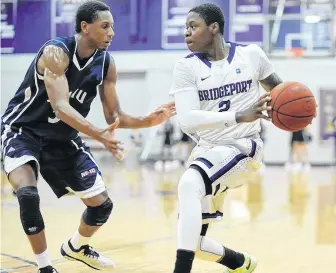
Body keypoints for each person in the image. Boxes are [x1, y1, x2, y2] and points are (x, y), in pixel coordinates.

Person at [1, 1, 175, 273]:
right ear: (85, 27)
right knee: (28, 195)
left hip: (62, 139)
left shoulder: (106, 63)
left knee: (101, 205)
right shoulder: (56, 52)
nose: (112, 33)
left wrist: (150, 120)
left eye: (112, 27)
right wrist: (99, 136)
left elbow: (114, 115)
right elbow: (60, 106)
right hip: (24, 130)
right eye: (105, 26)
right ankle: (45, 267)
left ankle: (76, 248)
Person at [169, 3, 289, 273]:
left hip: (243, 147)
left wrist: (296, 109)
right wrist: (238, 114)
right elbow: (187, 119)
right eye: (185, 28)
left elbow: (281, 93)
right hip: (207, 150)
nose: (187, 33)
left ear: (214, 28)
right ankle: (240, 262)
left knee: (189, 184)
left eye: (193, 26)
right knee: (193, 240)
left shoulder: (251, 55)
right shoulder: (185, 67)